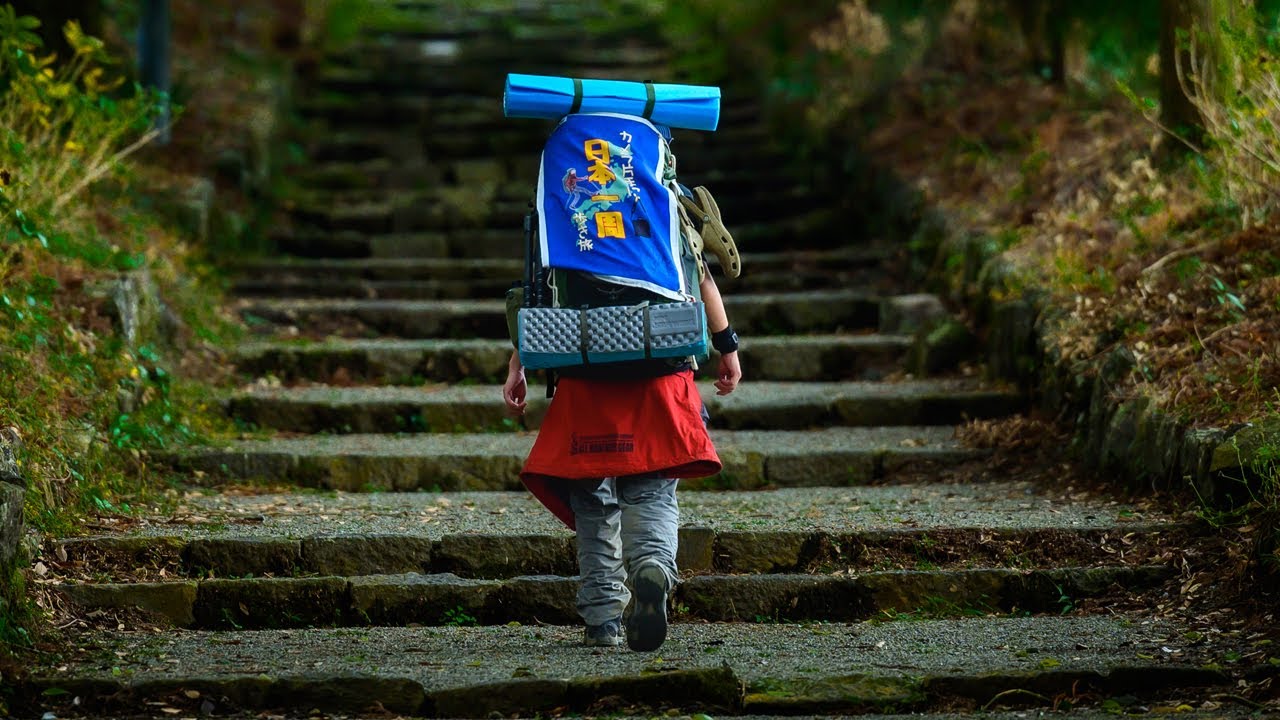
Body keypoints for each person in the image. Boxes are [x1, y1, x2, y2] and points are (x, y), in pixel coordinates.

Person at [502, 269, 741, 651]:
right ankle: (651, 566)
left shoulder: (565, 209)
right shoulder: (670, 206)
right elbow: (704, 277)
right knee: (652, 493)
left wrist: (520, 364)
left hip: (584, 371)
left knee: (593, 504)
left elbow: (540, 293)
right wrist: (727, 346)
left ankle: (602, 619)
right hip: (659, 370)